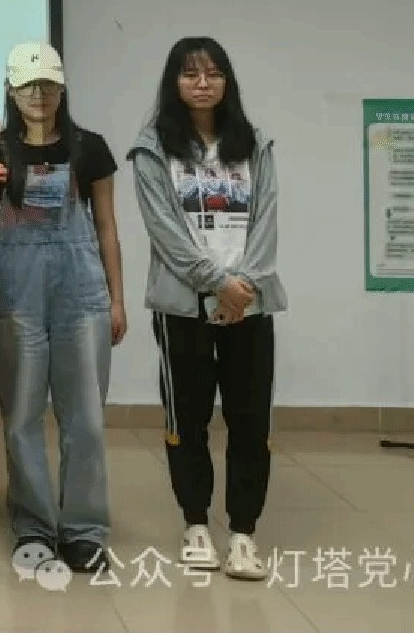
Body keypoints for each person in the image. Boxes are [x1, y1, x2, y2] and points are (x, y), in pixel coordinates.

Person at [128, 36, 285, 582]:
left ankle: (243, 531)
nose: (202, 84)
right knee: (187, 418)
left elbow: (266, 219)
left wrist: (244, 287)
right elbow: (164, 231)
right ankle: (195, 522)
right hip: (183, 307)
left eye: (213, 74)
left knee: (250, 420)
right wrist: (218, 284)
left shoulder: (254, 142)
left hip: (250, 305)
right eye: (191, 74)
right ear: (173, 83)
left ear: (227, 82)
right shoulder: (153, 148)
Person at [0, 43, 125, 578]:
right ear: (10, 90)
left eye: (48, 85)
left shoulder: (91, 148)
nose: (39, 94)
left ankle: (84, 530)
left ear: (62, 88)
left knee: (85, 416)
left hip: (81, 293)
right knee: (21, 416)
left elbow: (106, 225)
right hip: (15, 292)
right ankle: (34, 526)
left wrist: (116, 299)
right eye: (27, 86)